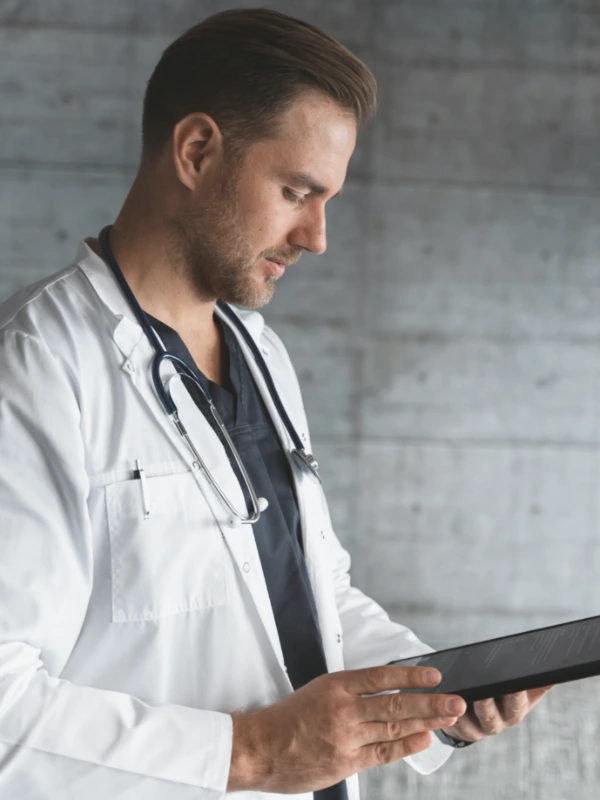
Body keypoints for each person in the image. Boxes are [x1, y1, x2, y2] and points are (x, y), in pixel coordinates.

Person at [0, 8, 551, 799]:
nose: (318, 236)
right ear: (196, 151)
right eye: (297, 190)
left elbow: (309, 587)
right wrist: (250, 753)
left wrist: (436, 693)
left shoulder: (259, 353)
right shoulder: (38, 366)